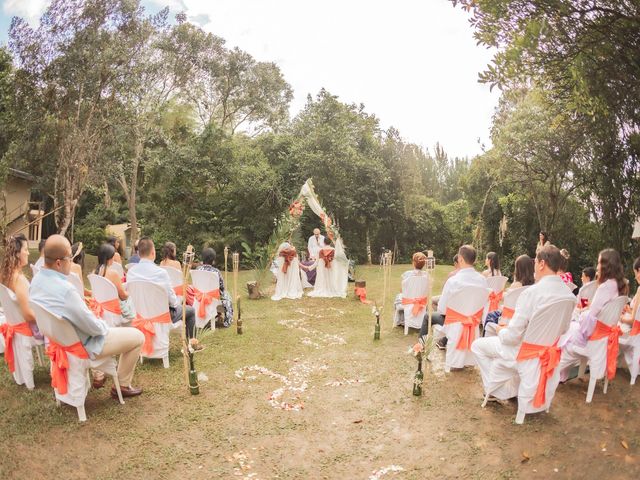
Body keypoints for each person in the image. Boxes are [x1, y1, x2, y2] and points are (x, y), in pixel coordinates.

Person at [30, 235, 145, 398]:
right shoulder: (66, 290)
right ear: (58, 262)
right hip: (84, 344)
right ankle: (123, 384)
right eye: (70, 257)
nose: (72, 261)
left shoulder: (36, 282)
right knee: (138, 336)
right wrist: (105, 326)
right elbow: (93, 327)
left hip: (60, 341)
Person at [471, 245, 576, 396]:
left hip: (521, 352)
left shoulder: (530, 293)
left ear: (542, 264)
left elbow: (511, 338)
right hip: (545, 352)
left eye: (535, 262)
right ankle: (509, 388)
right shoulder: (569, 295)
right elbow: (564, 330)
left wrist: (501, 330)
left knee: (477, 346)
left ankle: (494, 390)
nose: (534, 266)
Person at [558, 249, 627, 380]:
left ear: (606, 265)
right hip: (603, 336)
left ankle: (557, 373)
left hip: (594, 336)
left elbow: (590, 317)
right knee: (572, 326)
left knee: (565, 332)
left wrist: (581, 314)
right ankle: (562, 375)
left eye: (599, 262)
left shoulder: (605, 287)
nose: (597, 266)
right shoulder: (617, 285)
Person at [126, 237, 200, 344]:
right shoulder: (160, 273)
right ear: (153, 252)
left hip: (140, 315)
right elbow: (173, 302)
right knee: (191, 311)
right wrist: (177, 302)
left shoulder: (131, 272)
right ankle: (192, 345)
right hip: (161, 315)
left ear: (138, 253)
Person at [420, 245, 488, 347]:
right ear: (474, 260)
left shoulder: (453, 281)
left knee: (427, 316)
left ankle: (422, 347)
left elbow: (442, 309)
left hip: (455, 325)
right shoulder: (483, 280)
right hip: (473, 325)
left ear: (460, 259)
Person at [0, 233, 42, 339]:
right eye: (26, 250)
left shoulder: (4, 275)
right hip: (26, 331)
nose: (28, 253)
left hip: (14, 327)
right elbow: (28, 315)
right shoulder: (18, 279)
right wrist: (48, 319)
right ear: (18, 253)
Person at [483, 254, 535, 333]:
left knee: (491, 315)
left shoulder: (515, 286)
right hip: (526, 320)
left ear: (518, 269)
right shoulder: (534, 286)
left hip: (509, 319)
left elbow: (508, 301)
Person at [94, 243, 136, 322]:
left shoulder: (94, 273)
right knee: (131, 299)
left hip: (100, 308)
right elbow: (123, 296)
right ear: (109, 258)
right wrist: (130, 292)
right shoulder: (113, 273)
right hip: (112, 310)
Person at [196, 248, 234, 327]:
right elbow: (222, 287)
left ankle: (217, 315)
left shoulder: (197, 270)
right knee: (227, 295)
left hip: (199, 297)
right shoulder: (216, 272)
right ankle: (228, 320)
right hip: (213, 298)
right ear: (213, 260)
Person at [394, 252, 429, 325]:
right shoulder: (427, 275)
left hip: (408, 301)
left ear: (413, 263)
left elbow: (402, 290)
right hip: (421, 301)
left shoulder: (407, 274)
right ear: (424, 264)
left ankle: (401, 319)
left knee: (398, 296)